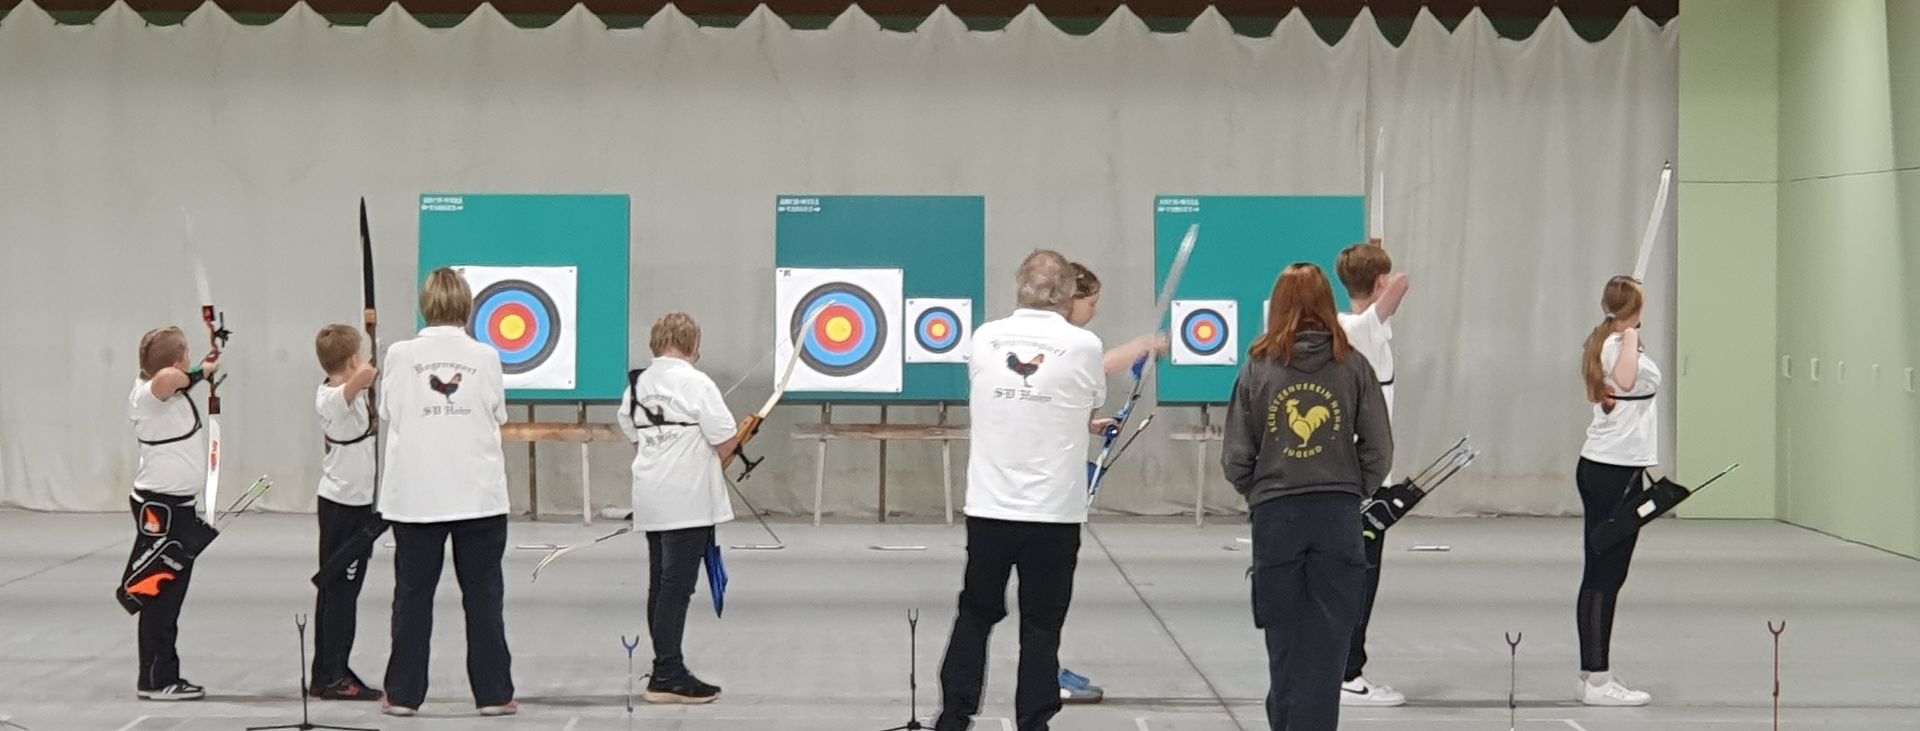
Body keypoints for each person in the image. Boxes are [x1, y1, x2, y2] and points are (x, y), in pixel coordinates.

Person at [935, 250, 1107, 731]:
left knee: (975, 613)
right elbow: (1089, 400)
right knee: (1042, 626)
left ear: (1020, 287)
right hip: (1053, 513)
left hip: (990, 507)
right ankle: (1034, 723)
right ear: (1068, 293)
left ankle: (954, 717)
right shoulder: (1084, 345)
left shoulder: (984, 337)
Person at [1223, 262, 1392, 731]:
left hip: (1277, 517)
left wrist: (1261, 491)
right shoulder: (1354, 366)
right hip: (1337, 517)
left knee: (1284, 642)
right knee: (1328, 646)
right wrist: (1353, 487)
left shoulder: (1258, 367)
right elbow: (1379, 448)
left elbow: (1236, 455)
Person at [377, 268, 516, 717]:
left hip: (416, 496)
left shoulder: (399, 355)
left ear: (426, 306)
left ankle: (403, 694)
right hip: (477, 495)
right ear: (467, 307)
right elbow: (498, 412)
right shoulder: (486, 356)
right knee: (483, 596)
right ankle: (494, 694)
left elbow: (387, 410)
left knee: (412, 595)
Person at [1053, 262, 1165, 705]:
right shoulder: (1067, 345)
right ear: (1069, 300)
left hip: (1052, 487)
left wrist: (1089, 424)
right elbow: (1094, 367)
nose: (1095, 312)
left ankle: (1047, 667)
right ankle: (1044, 674)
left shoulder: (1065, 346)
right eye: (1091, 303)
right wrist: (1141, 347)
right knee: (1048, 588)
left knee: (1052, 588)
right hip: (1044, 494)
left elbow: (1061, 401)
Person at [615, 312, 742, 704]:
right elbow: (726, 442)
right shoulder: (697, 382)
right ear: (692, 345)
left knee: (661, 583)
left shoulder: (638, 384)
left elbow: (632, 432)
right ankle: (667, 673)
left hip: (652, 496)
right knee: (677, 587)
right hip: (688, 500)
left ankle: (665, 668)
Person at [1331, 239, 1411, 707]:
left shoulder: (1343, 324)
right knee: (1363, 575)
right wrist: (1381, 275)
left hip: (1350, 470)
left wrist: (1365, 266)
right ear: (1379, 283)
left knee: (1352, 572)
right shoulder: (1363, 326)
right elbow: (1402, 284)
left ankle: (1341, 667)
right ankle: (1349, 673)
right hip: (1366, 476)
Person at [1573, 275, 1658, 707]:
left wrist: (1629, 337)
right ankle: (1598, 680)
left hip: (1610, 467)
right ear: (1635, 309)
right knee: (1605, 576)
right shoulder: (1616, 344)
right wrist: (1631, 337)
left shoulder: (1611, 340)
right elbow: (1625, 381)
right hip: (1613, 472)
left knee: (1602, 574)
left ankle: (1592, 673)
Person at [124, 326, 220, 701]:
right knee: (160, 593)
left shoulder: (165, 391)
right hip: (160, 509)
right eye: (185, 356)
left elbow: (174, 380)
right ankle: (157, 678)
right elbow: (168, 379)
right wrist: (198, 372)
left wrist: (201, 370)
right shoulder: (148, 393)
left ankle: (162, 673)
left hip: (175, 507)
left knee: (168, 594)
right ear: (175, 362)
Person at [308, 324, 383, 701]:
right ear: (353, 359)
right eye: (359, 355)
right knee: (340, 593)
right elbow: (364, 378)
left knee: (340, 592)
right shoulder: (332, 397)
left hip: (352, 504)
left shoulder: (342, 393)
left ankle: (330, 669)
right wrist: (367, 361)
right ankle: (332, 675)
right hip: (343, 507)